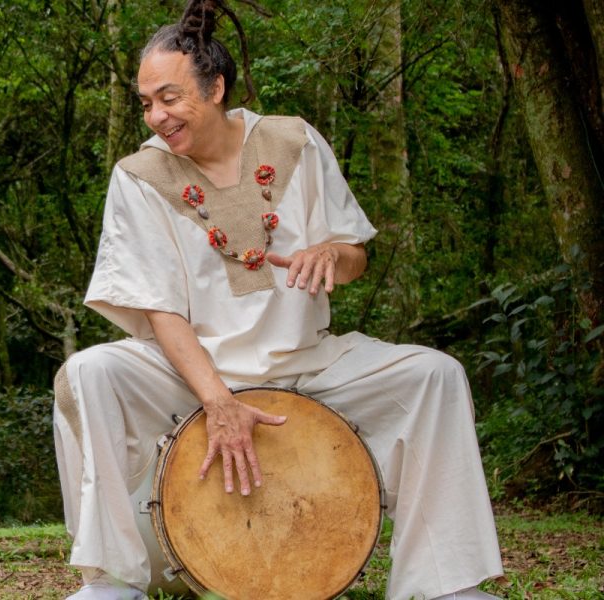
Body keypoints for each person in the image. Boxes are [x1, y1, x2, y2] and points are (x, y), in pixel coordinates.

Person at [51, 1, 505, 599]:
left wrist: (331, 256)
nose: (156, 116)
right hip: (189, 371)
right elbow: (158, 308)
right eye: (146, 102)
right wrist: (218, 402)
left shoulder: (294, 141)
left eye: (169, 97)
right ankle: (111, 582)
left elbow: (354, 254)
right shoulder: (138, 175)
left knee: (435, 376)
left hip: (306, 361)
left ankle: (446, 585)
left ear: (215, 87)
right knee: (89, 372)